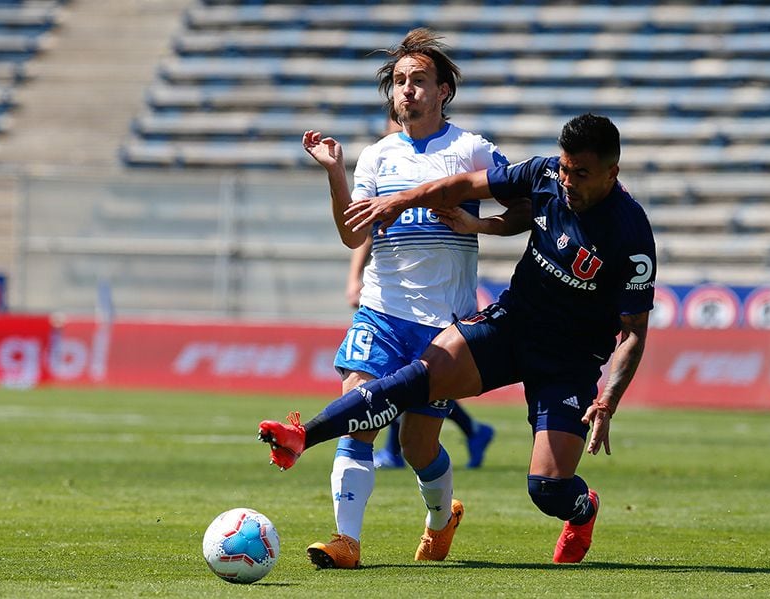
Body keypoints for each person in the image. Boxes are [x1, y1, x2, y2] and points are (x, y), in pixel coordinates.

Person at [260, 113, 656, 564]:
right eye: (565, 168)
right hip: (513, 324)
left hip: (571, 360)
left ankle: (583, 511)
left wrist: (606, 402)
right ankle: (302, 436)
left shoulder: (631, 233)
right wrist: (398, 203)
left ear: (612, 173)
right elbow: (464, 187)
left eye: (580, 173)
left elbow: (633, 332)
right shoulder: (543, 172)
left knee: (547, 489)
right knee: (420, 376)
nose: (567, 180)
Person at [296, 29, 530, 570]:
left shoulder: (470, 149)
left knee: (418, 447)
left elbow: (525, 206)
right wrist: (335, 173)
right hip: (382, 312)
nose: (408, 91)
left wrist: (479, 225)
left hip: (442, 325)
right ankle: (345, 541)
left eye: (419, 81)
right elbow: (354, 236)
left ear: (443, 90)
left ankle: (441, 519)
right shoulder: (376, 157)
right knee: (358, 416)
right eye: (400, 82)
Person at [346, 235, 496, 471]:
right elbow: (366, 231)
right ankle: (472, 431)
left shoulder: (432, 201)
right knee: (409, 381)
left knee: (414, 382)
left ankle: (397, 452)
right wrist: (355, 278)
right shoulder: (387, 201)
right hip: (396, 301)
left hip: (431, 304)